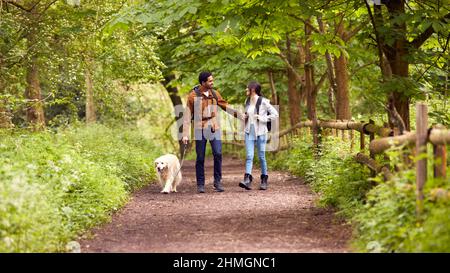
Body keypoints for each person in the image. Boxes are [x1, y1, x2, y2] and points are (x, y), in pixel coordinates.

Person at [182, 71, 241, 193]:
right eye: (210, 81)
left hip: (214, 127)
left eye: (212, 80)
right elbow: (187, 116)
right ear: (203, 82)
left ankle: (217, 181)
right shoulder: (192, 96)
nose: (212, 82)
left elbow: (226, 107)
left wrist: (240, 116)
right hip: (199, 128)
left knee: (218, 153)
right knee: (200, 157)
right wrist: (185, 134)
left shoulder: (215, 94)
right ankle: (200, 184)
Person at [239, 81, 278, 190]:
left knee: (261, 156)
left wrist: (262, 118)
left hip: (261, 132)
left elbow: (275, 114)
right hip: (249, 131)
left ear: (253, 90)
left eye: (247, 89)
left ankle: (264, 179)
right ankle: (247, 179)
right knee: (249, 156)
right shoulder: (246, 100)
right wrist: (244, 116)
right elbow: (247, 115)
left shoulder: (264, 102)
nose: (246, 90)